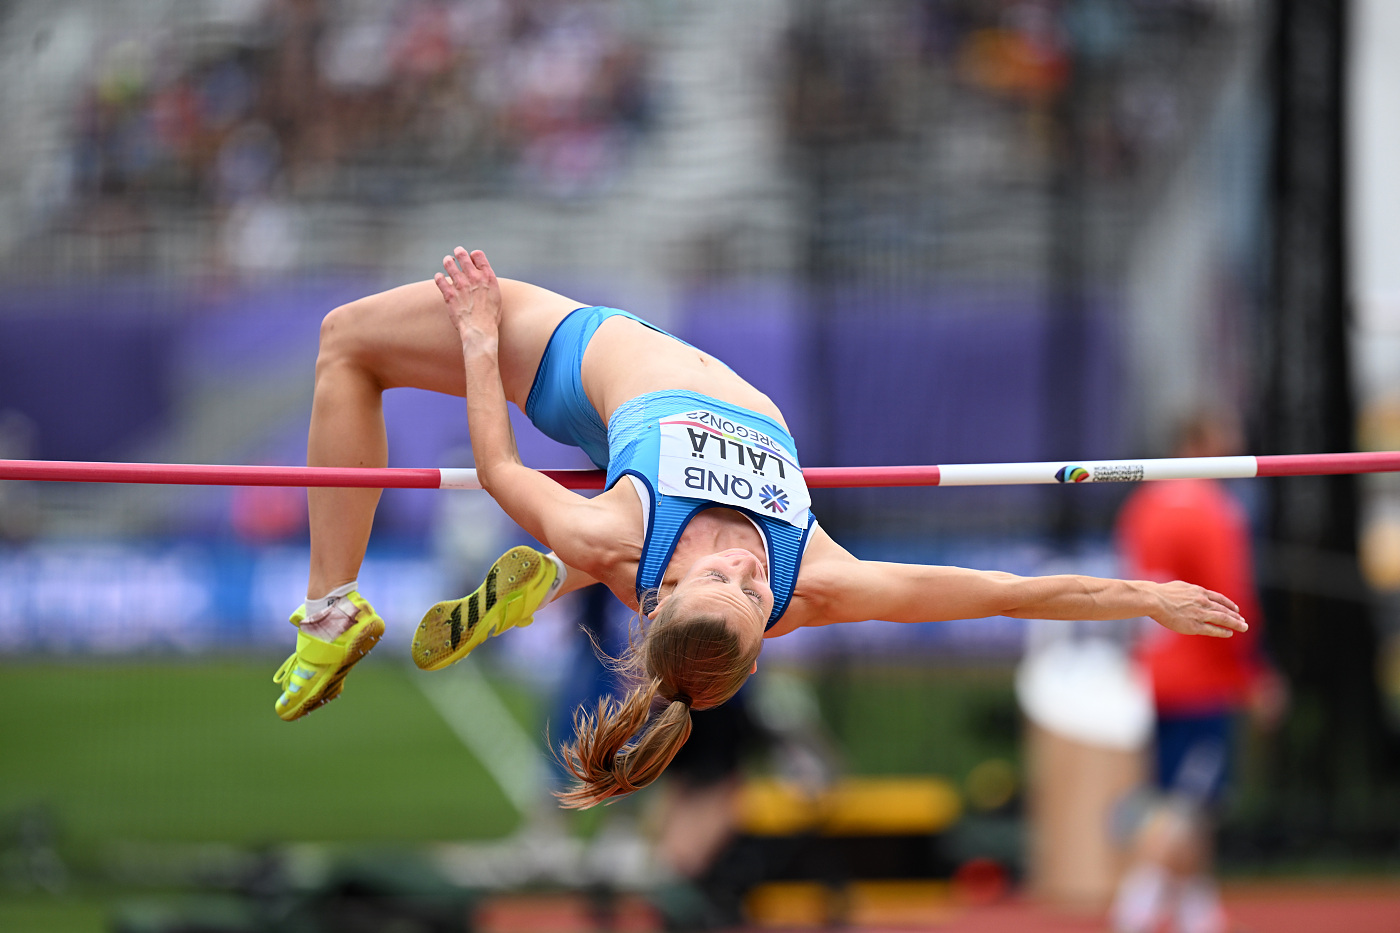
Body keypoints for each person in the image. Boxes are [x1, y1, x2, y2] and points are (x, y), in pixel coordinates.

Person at [272, 247, 1250, 809]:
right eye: (752, 595)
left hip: (585, 367)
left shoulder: (625, 536)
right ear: (769, 624)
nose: (745, 569)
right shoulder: (809, 580)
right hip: (674, 406)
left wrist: (483, 333)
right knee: (579, 541)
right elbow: (1002, 593)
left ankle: (329, 611)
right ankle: (550, 581)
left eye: (721, 584)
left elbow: (495, 467)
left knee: (345, 343)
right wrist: (1143, 598)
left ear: (662, 598)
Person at [1107, 410, 1286, 933]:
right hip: (1202, 675)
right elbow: (1232, 598)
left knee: (1184, 799)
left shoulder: (1140, 507)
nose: (1234, 448)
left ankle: (1196, 911)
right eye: (1223, 439)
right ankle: (1137, 909)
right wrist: (1255, 673)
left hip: (1157, 671)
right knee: (1186, 806)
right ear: (1197, 443)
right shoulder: (1213, 511)